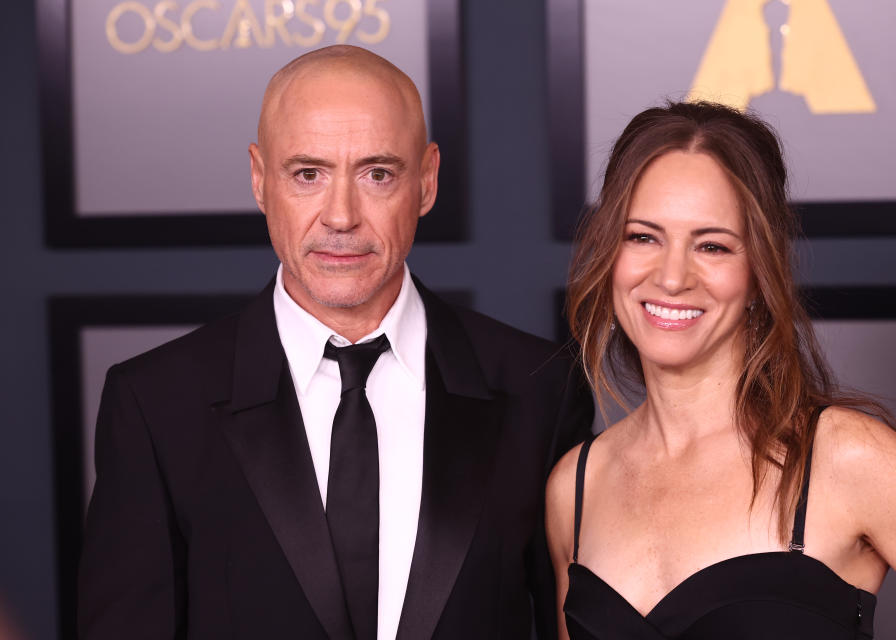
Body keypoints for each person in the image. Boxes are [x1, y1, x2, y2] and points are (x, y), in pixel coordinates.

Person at [78, 45, 593, 640]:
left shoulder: (539, 389)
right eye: (308, 174)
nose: (341, 216)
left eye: (377, 174)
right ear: (258, 178)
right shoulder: (155, 405)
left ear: (426, 181)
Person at [546, 101, 896, 639]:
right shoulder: (576, 487)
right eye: (643, 236)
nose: (672, 277)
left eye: (712, 246)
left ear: (759, 270)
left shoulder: (844, 459)